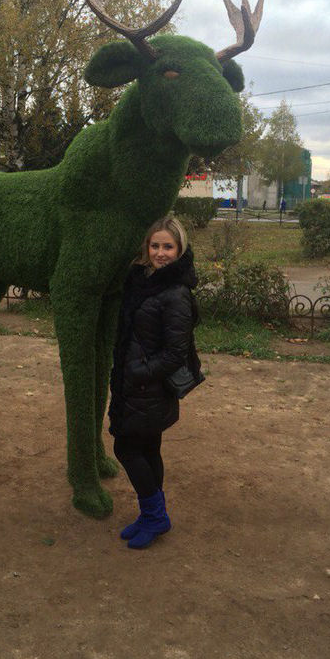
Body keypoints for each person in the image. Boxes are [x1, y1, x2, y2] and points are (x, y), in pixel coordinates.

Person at [108, 216, 202, 550]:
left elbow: (176, 353)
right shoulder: (145, 280)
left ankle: (155, 516)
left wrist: (138, 372)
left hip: (148, 388)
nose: (160, 253)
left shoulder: (175, 293)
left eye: (168, 247)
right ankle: (151, 514)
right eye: (155, 245)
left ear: (180, 249)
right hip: (136, 386)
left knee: (125, 448)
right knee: (148, 449)